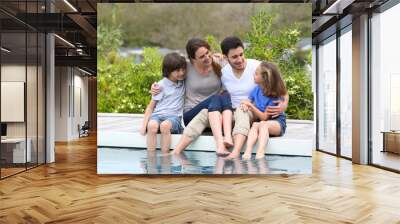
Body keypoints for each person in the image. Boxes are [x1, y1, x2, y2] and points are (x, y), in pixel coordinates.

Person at [152, 38, 233, 155]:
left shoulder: (218, 62)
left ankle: (228, 138)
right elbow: (170, 77)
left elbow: (238, 65)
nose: (207, 57)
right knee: (217, 97)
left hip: (213, 113)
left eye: (207, 53)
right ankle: (220, 143)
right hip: (191, 114)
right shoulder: (186, 68)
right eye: (202, 56)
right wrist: (155, 86)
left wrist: (224, 56)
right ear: (193, 59)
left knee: (224, 95)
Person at [140, 52, 186, 153]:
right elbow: (151, 107)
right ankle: (151, 158)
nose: (182, 72)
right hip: (157, 116)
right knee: (152, 126)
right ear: (168, 71)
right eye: (178, 70)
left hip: (174, 118)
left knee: (165, 126)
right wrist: (144, 126)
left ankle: (165, 158)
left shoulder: (183, 82)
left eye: (183, 69)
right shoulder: (160, 85)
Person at [241, 61, 287, 160]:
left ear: (264, 78)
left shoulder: (274, 95)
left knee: (263, 124)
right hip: (262, 122)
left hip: (277, 122)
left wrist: (251, 106)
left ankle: (260, 152)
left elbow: (264, 117)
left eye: (256, 73)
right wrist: (245, 104)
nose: (254, 74)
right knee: (255, 125)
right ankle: (248, 151)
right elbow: (247, 101)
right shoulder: (256, 89)